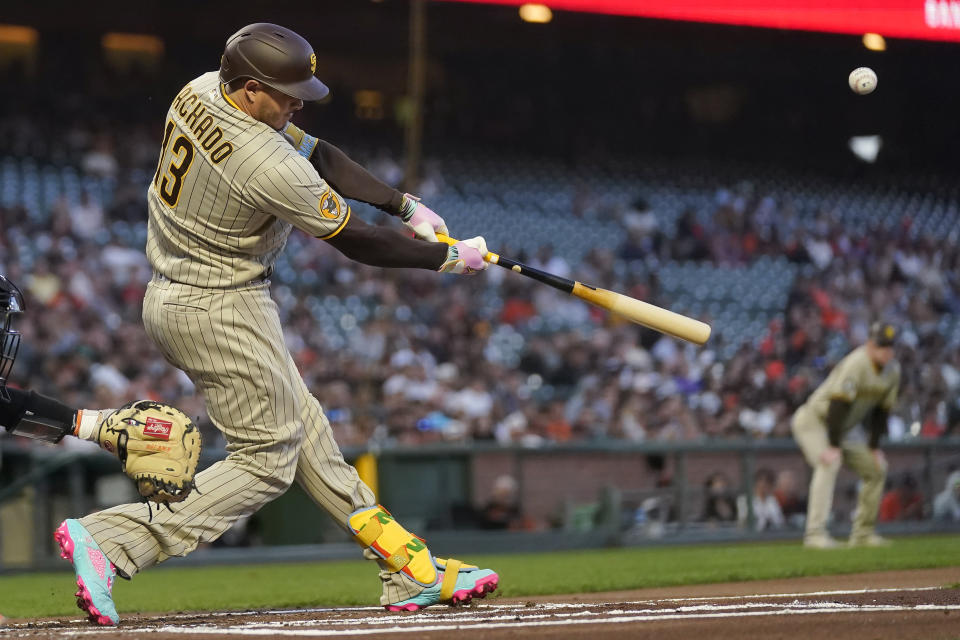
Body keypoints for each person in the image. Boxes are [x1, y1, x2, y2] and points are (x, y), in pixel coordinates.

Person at [53, 23, 497, 626]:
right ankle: (113, 539)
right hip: (219, 307)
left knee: (307, 433)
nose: (297, 102)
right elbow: (357, 243)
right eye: (286, 93)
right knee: (268, 461)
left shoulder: (202, 89)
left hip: (193, 295)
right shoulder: (263, 160)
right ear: (249, 89)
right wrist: (446, 257)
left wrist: (405, 205)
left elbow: (321, 152)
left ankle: (407, 569)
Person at [791, 322, 900, 549]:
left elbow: (882, 412)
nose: (885, 351)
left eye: (889, 347)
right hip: (815, 421)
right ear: (870, 345)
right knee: (829, 462)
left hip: (843, 429)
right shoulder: (857, 363)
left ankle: (863, 534)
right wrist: (832, 445)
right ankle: (815, 535)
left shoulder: (893, 371)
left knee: (876, 468)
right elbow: (838, 406)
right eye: (881, 346)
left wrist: (873, 446)